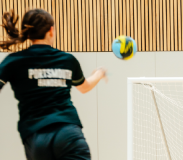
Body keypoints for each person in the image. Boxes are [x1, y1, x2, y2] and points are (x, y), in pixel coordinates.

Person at [0, 9, 107, 160]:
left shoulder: (14, 61)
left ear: (28, 33)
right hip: (69, 133)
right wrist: (99, 73)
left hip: (36, 137)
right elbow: (85, 87)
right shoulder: (67, 60)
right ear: (51, 30)